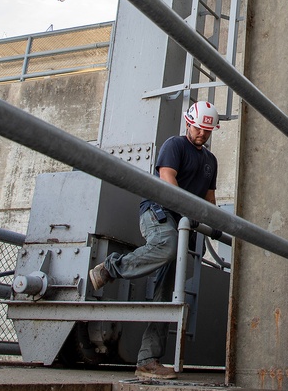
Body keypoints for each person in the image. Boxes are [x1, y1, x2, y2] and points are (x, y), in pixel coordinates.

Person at [88, 101, 220, 380]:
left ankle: (147, 360)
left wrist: (217, 223)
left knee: (167, 292)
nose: (202, 135)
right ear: (188, 123)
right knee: (167, 244)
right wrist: (190, 210)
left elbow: (210, 199)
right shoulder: (174, 145)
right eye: (198, 128)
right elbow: (166, 179)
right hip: (158, 211)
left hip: (183, 223)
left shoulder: (210, 161)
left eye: (207, 131)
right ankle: (111, 267)